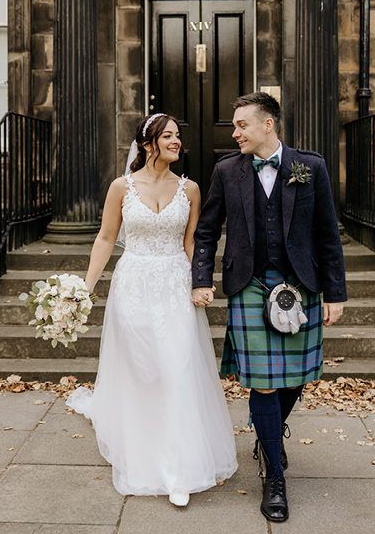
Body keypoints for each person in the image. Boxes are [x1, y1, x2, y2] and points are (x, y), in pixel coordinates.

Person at [67, 113, 238, 506]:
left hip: (176, 285)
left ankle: (177, 469)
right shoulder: (120, 187)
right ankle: (142, 449)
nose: (177, 142)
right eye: (169, 136)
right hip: (133, 286)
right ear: (148, 144)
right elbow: (106, 239)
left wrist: (202, 281)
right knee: (145, 369)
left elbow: (194, 243)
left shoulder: (190, 189)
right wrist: (84, 291)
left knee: (176, 367)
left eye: (179, 136)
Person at [191, 92, 347, 523]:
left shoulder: (309, 166)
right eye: (234, 126)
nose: (235, 132)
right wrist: (200, 278)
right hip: (250, 285)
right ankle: (274, 477)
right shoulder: (226, 170)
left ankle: (268, 434)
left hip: (302, 283)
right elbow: (206, 231)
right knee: (262, 381)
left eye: (241, 125)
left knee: (295, 377)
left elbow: (326, 233)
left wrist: (335, 292)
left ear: (267, 125)